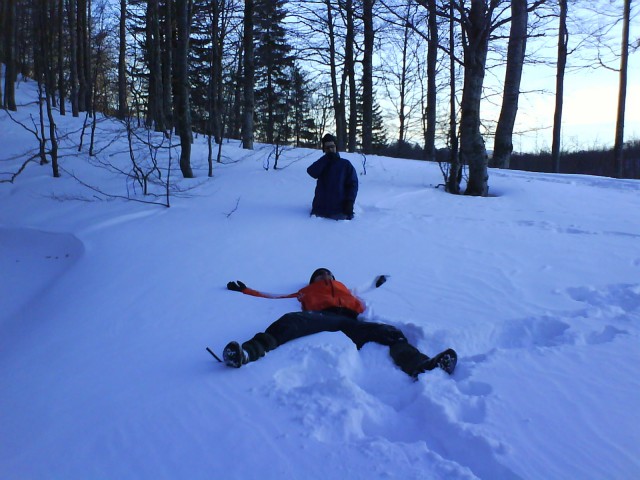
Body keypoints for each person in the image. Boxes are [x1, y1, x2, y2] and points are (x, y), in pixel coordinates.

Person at [222, 268, 457, 379]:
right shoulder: (305, 291)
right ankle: (247, 353)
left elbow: (366, 289)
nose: (325, 277)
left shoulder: (345, 288)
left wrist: (380, 282)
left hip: (351, 322)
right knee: (290, 321)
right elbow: (274, 297)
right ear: (313, 280)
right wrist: (246, 290)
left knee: (391, 333)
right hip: (321, 319)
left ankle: (422, 366)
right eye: (320, 275)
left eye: (328, 274)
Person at [307, 134, 358, 220]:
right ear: (324, 149)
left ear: (336, 147)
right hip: (319, 211)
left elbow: (353, 185)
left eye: (332, 146)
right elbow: (311, 172)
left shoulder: (345, 164)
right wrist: (326, 159)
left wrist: (350, 202)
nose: (330, 149)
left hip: (339, 211)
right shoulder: (322, 163)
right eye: (327, 148)